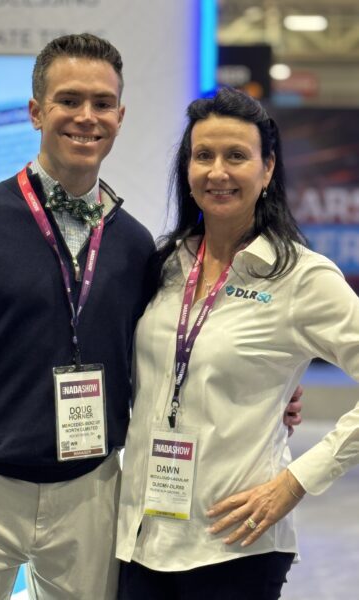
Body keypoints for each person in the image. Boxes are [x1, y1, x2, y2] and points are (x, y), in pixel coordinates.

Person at [0, 37, 301, 600]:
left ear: (120, 116)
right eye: (69, 100)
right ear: (36, 111)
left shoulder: (136, 245)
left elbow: (161, 354)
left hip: (91, 487)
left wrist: (268, 389)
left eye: (102, 103)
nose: (86, 117)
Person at [116, 86, 359, 600]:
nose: (218, 172)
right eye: (203, 155)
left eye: (236, 156)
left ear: (267, 169)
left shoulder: (302, 277)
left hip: (234, 546)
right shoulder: (166, 266)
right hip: (141, 539)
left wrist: (295, 481)